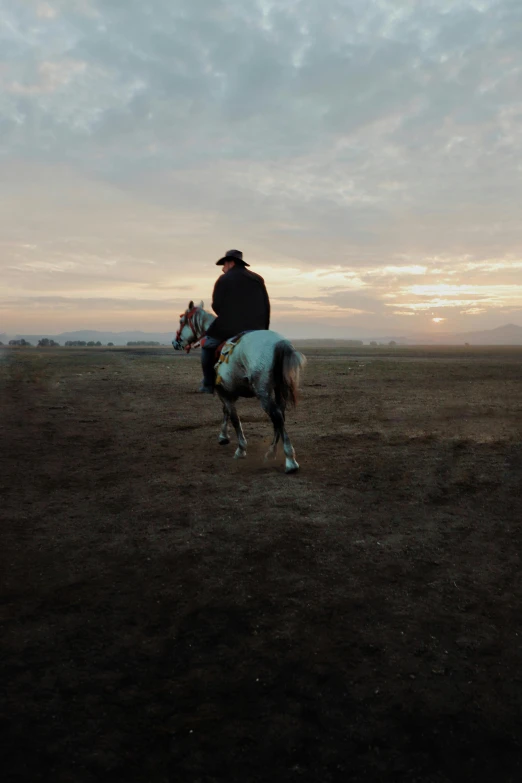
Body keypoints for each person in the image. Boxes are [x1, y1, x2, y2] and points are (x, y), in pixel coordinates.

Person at [199, 249, 271, 393]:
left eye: (224, 264)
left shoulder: (224, 279)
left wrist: (227, 317)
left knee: (207, 345)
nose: (223, 268)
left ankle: (208, 384)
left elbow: (216, 305)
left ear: (231, 262)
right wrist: (264, 329)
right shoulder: (257, 279)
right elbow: (266, 305)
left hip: (230, 327)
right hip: (257, 328)